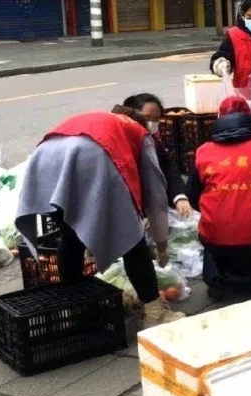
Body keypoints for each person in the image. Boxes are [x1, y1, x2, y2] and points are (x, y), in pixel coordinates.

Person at [16, 107, 184, 328]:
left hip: (44, 158)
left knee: (70, 236)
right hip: (90, 155)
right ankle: (155, 313)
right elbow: (156, 194)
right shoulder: (141, 134)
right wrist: (162, 245)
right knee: (132, 240)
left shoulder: (106, 121)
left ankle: (74, 310)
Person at [186, 96, 251, 298]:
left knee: (211, 222)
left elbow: (193, 196)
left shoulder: (203, 152)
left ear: (219, 118)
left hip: (216, 240)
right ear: (250, 118)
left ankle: (216, 281)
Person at [123, 93, 192, 217]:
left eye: (156, 119)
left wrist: (179, 196)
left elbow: (167, 165)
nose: (151, 123)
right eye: (146, 117)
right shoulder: (122, 139)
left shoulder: (153, 139)